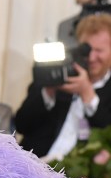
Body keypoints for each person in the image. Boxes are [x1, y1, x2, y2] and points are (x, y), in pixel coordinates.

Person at [16, 13, 111, 158]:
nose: (92, 58)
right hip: (33, 163)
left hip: (80, 174)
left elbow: (106, 134)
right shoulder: (60, 71)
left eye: (99, 51)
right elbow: (22, 124)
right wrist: (48, 92)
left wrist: (87, 94)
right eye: (87, 49)